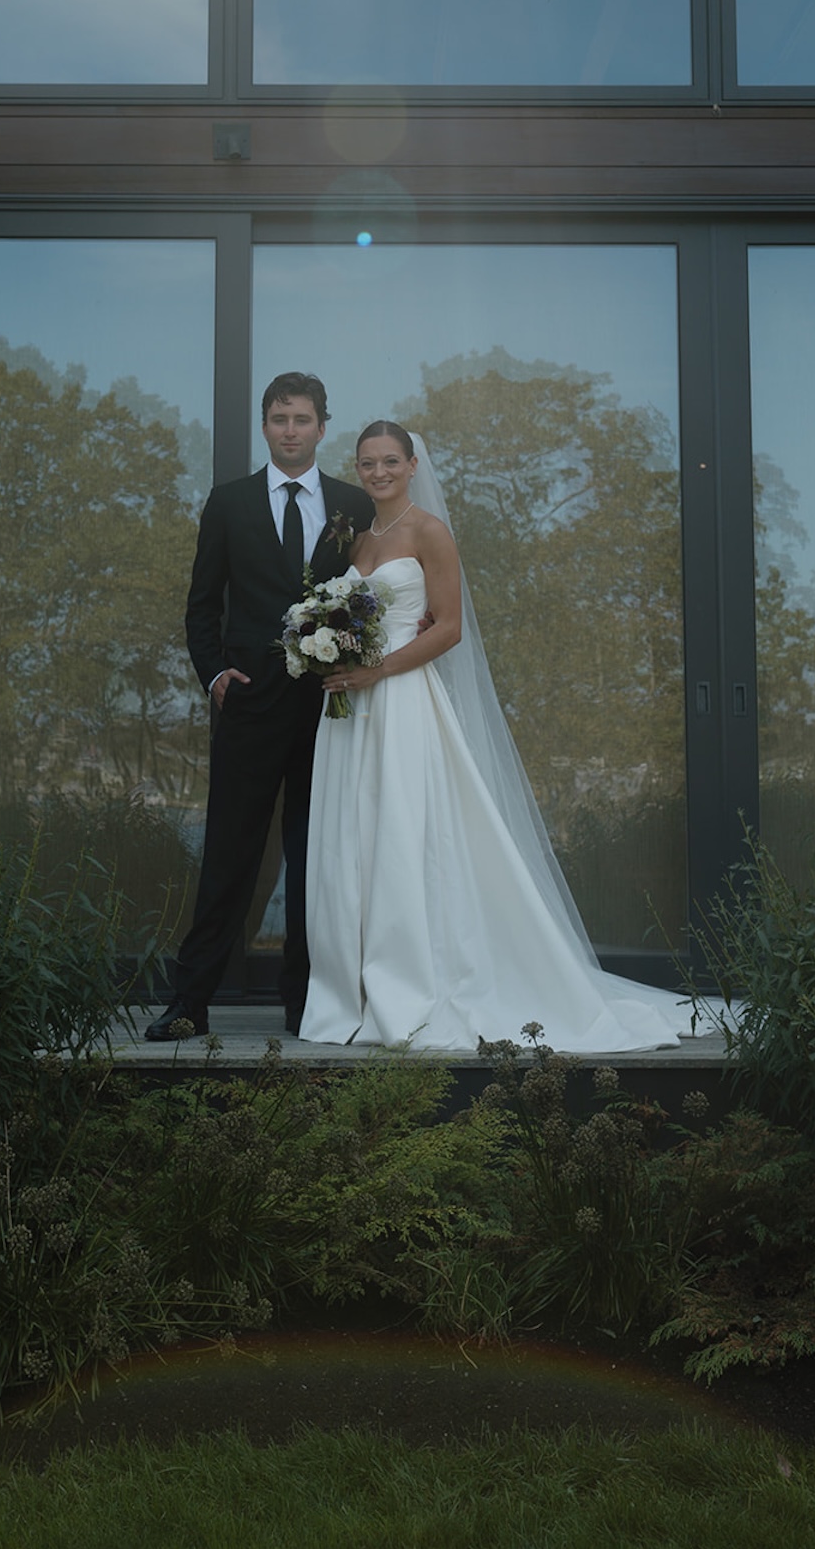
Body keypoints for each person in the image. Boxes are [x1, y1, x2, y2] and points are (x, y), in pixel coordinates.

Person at [301, 421, 700, 1053]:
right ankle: (351, 993)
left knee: (402, 835)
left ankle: (410, 986)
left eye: (389, 462)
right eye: (367, 463)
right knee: (355, 841)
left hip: (401, 701)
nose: (377, 472)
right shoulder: (356, 539)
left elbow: (449, 627)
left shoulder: (430, 531)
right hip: (350, 712)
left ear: (411, 465)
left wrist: (375, 670)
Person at [144, 373, 373, 1042]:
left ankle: (306, 1006)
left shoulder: (353, 505)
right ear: (265, 426)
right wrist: (214, 675)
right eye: (278, 419)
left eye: (302, 419)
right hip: (247, 705)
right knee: (229, 856)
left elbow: (372, 599)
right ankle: (189, 1002)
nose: (290, 430)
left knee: (315, 858)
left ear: (322, 426)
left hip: (329, 711)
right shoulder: (229, 502)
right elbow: (201, 605)